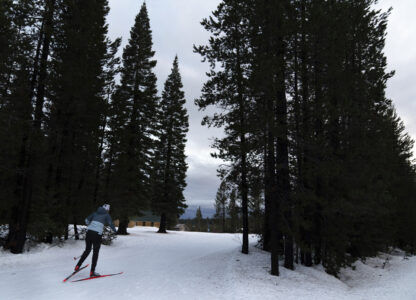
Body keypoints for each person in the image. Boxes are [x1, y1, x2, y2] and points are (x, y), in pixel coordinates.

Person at [75, 204, 117, 277]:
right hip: (97, 235)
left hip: (89, 233)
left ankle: (78, 266)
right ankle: (92, 272)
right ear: (107, 210)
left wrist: (90, 225)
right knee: (95, 253)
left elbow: (86, 220)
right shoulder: (106, 215)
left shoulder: (95, 213)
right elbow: (110, 223)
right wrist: (115, 231)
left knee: (87, 250)